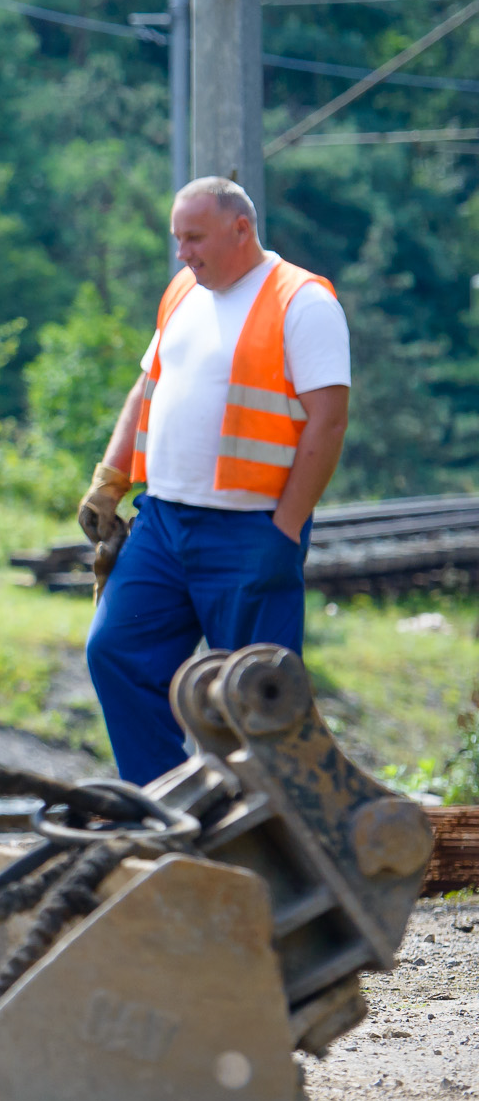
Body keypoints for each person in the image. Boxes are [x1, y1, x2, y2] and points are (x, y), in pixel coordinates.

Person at [80, 177, 350, 783]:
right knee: (116, 652)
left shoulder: (302, 301)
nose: (183, 253)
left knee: (257, 696)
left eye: (194, 238)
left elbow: (328, 422)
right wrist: (110, 478)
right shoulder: (183, 291)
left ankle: (277, 842)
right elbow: (145, 387)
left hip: (251, 529)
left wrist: (282, 533)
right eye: (178, 239)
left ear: (241, 230)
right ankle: (165, 810)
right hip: (164, 522)